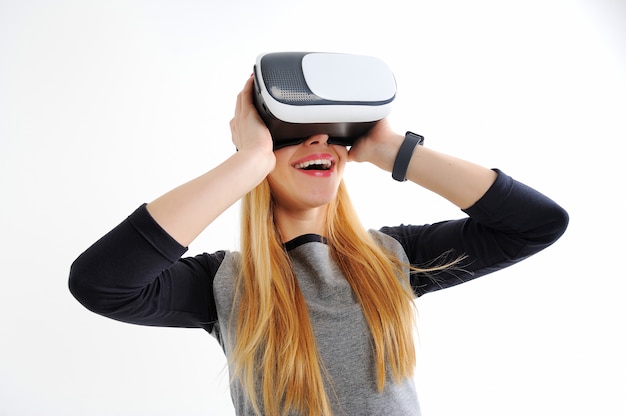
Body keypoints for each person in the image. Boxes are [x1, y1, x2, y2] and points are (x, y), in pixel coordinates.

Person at [69, 75, 569, 416]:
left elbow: (536, 224)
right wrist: (246, 164)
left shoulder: (393, 257)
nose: (319, 141)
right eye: (294, 133)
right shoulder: (223, 284)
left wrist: (394, 150)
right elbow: (101, 282)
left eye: (330, 134)